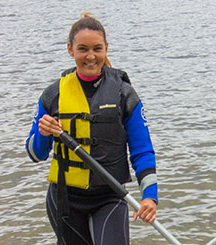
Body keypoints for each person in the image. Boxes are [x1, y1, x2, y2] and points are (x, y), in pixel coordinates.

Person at [25, 12, 158, 244]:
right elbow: (36, 154)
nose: (90, 56)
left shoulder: (123, 94)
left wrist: (150, 197)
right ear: (70, 49)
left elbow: (142, 150)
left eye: (97, 49)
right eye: (82, 49)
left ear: (106, 48)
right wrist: (42, 132)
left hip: (110, 195)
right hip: (64, 199)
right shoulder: (52, 95)